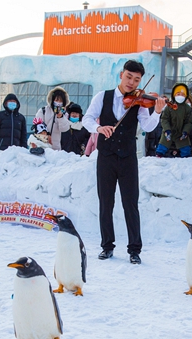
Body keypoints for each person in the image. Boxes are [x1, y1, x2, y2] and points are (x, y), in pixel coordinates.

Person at [82, 59, 166, 264]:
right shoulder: (103, 96)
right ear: (121, 75)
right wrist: (99, 129)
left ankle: (134, 250)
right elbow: (87, 119)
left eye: (137, 80)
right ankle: (107, 246)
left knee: (131, 203)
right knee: (106, 203)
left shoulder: (139, 101)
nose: (132, 82)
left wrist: (157, 111)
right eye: (129, 77)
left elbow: (147, 127)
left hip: (128, 158)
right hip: (106, 157)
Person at [156, 83, 192, 158]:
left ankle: (186, 159)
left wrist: (186, 131)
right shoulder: (169, 106)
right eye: (178, 94)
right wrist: (167, 129)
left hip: (181, 133)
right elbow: (164, 119)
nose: (180, 96)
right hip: (168, 132)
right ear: (174, 95)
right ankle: (158, 156)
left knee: (185, 149)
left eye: (183, 94)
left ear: (186, 96)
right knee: (162, 146)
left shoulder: (187, 108)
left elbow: (189, 122)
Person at [35, 87, 71, 151]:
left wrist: (60, 117)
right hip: (42, 145)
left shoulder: (65, 114)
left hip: (56, 147)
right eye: (56, 100)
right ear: (52, 100)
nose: (58, 102)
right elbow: (37, 124)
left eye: (61, 101)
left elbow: (64, 129)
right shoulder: (43, 110)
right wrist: (46, 134)